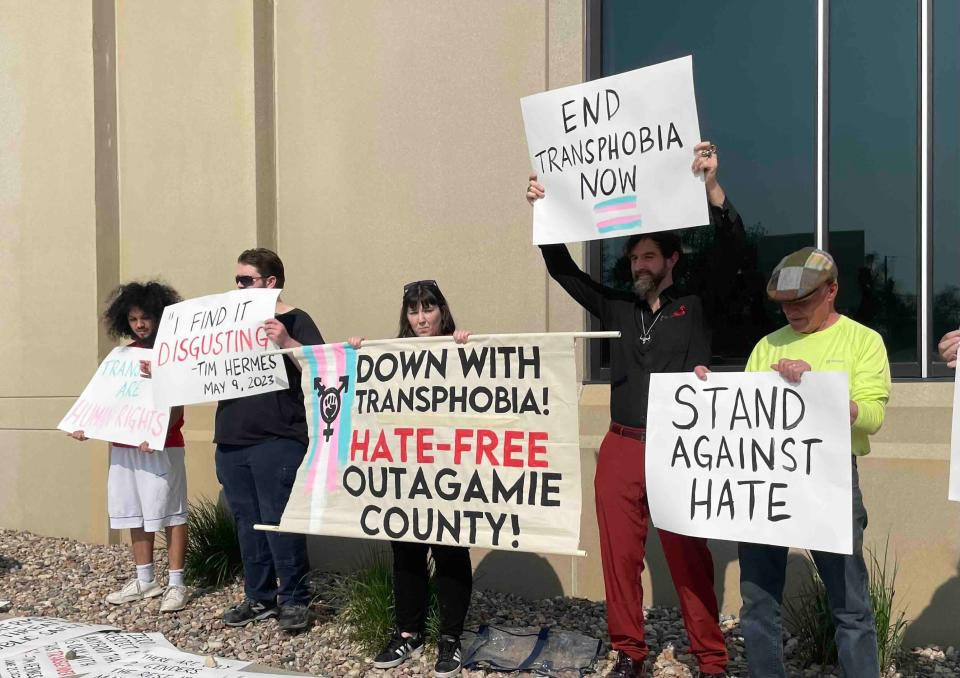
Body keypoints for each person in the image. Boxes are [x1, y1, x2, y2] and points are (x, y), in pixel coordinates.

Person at [526, 142, 738, 678]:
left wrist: (712, 187)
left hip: (678, 445)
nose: (639, 264)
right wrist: (544, 209)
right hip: (621, 444)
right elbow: (563, 270)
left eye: (649, 256)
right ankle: (629, 652)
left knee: (689, 556)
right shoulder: (618, 306)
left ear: (671, 260)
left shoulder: (695, 304)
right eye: (634, 256)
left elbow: (733, 253)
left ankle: (710, 659)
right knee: (619, 556)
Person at [696, 247, 891, 677]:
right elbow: (742, 416)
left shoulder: (864, 341)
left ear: (832, 291)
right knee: (758, 604)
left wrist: (817, 388)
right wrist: (707, 394)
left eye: (802, 302)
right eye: (785, 304)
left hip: (831, 481)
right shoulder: (767, 345)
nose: (792, 312)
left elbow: (873, 416)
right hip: (765, 480)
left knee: (850, 606)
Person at [348, 280, 472, 678]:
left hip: (450, 470)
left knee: (450, 551)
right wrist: (355, 355)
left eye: (429, 309)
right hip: (406, 472)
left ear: (442, 311)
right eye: (414, 310)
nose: (421, 318)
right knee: (406, 550)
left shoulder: (460, 349)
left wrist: (470, 350)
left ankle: (450, 637)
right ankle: (409, 631)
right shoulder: (392, 355)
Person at [215, 248, 324, 632]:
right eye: (237, 280)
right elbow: (197, 366)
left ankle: (294, 599)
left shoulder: (295, 319)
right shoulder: (225, 324)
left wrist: (287, 341)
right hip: (232, 439)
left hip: (278, 439)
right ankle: (258, 597)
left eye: (245, 280)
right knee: (247, 523)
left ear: (270, 283)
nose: (238, 286)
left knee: (279, 521)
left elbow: (321, 368)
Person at [68, 281, 189, 613]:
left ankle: (177, 584)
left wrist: (161, 432)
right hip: (124, 446)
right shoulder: (121, 357)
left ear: (158, 316)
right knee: (134, 509)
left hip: (163, 446)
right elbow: (107, 401)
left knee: (172, 513)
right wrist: (87, 425)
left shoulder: (171, 353)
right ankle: (145, 578)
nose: (140, 324)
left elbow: (177, 403)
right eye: (134, 318)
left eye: (146, 317)